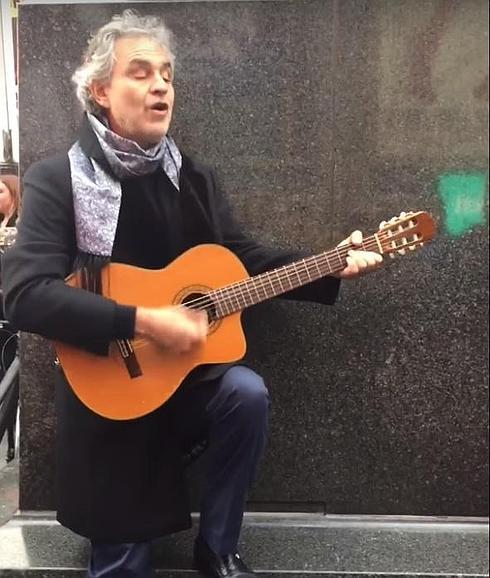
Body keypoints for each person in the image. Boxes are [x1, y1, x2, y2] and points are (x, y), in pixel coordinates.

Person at [2, 10, 383, 578]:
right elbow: (24, 294)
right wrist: (147, 322)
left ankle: (219, 546)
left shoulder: (191, 177)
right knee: (124, 564)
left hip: (183, 382)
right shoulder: (58, 179)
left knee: (245, 392)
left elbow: (239, 260)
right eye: (140, 72)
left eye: (167, 74)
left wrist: (330, 264)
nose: (160, 85)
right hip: (110, 393)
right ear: (100, 90)